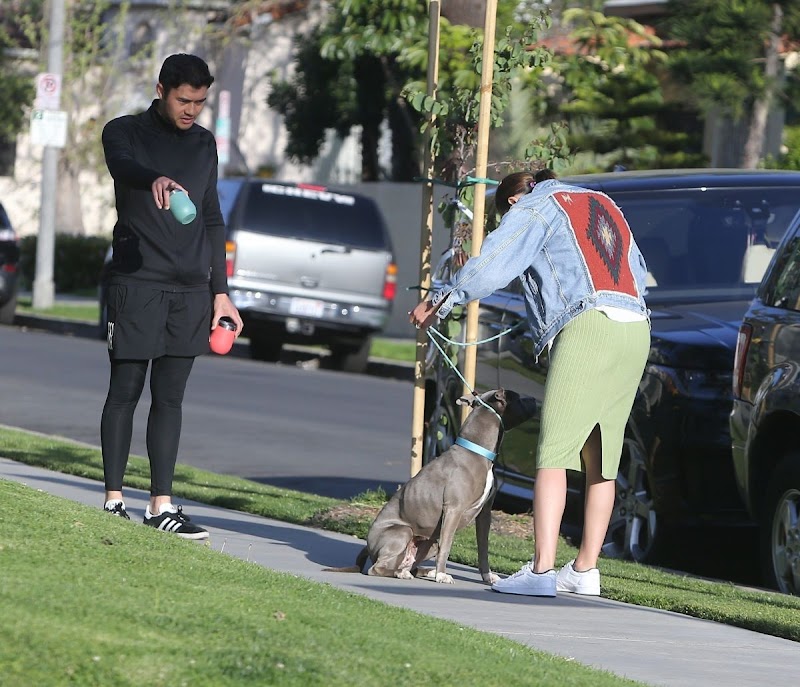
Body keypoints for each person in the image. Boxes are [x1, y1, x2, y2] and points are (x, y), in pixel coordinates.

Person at [410, 168, 650, 596]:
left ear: (514, 202)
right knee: (602, 459)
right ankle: (585, 571)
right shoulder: (603, 203)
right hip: (636, 328)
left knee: (553, 452)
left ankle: (541, 573)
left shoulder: (537, 205)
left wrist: (441, 301)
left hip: (589, 325)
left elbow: (493, 264)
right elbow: (638, 270)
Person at [99, 53, 243, 539]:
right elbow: (121, 166)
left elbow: (211, 217)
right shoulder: (124, 132)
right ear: (161, 89)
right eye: (185, 100)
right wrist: (152, 178)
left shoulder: (204, 144)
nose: (192, 110)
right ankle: (114, 499)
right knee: (125, 391)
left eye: (200, 102)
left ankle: (161, 505)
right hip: (137, 282)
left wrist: (221, 293)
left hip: (191, 290)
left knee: (171, 398)